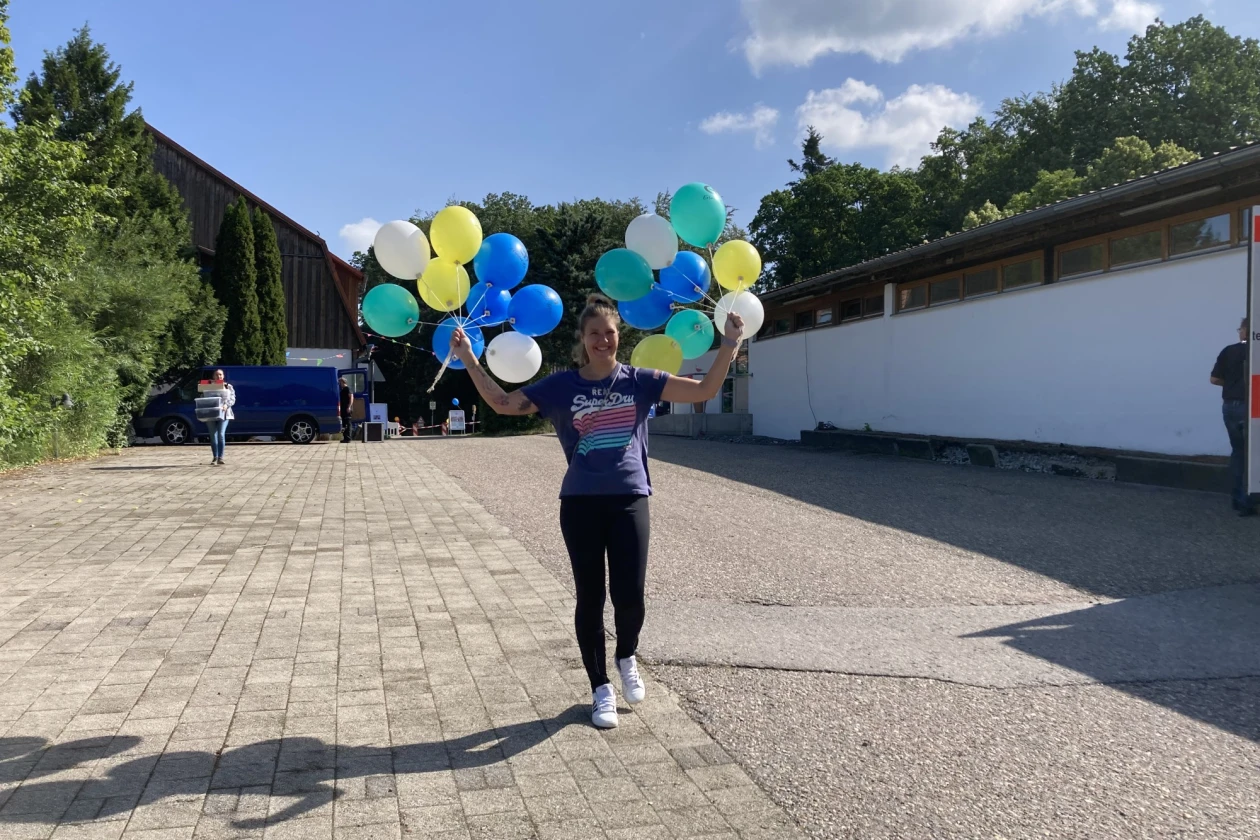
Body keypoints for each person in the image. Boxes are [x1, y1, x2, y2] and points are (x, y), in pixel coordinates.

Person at [450, 293, 744, 729]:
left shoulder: (640, 381)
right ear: (583, 340)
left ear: (618, 336)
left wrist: (731, 343)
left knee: (630, 596)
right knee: (590, 597)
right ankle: (600, 687)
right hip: (581, 504)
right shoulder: (561, 386)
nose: (602, 340)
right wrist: (470, 358)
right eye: (594, 334)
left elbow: (705, 389)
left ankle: (627, 655)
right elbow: (503, 404)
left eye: (609, 333)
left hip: (630, 499)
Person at [1211, 316, 1253, 516]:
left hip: (1229, 407)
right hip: (1252, 408)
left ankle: (1237, 499)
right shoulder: (1256, 352)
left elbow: (1214, 379)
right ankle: (1248, 500)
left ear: (1245, 330)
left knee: (1238, 452)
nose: (1239, 332)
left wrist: (1230, 386)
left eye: (1240, 329)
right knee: (1253, 454)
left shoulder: (1228, 351)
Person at [204, 369, 235, 466]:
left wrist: (226, 405)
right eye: (217, 375)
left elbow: (233, 398)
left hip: (224, 413)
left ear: (223, 376)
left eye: (220, 375)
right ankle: (215, 457)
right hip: (211, 413)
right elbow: (202, 395)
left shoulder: (228, 386)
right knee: (213, 435)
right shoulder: (209, 385)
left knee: (221, 434)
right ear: (213, 376)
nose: (219, 377)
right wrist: (208, 384)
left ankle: (221, 457)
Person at [339, 376, 354, 443]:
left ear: (343, 382)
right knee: (345, 423)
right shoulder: (343, 389)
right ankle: (345, 438)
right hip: (343, 409)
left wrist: (349, 406)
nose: (339, 384)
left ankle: (348, 438)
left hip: (347, 408)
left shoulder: (347, 388)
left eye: (340, 382)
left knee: (348, 423)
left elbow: (351, 397)